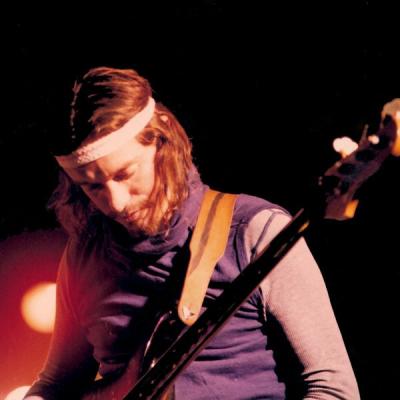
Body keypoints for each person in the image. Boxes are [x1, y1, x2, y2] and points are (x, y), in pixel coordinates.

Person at [25, 66, 360, 399]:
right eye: (92, 187)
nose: (116, 202)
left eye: (125, 174)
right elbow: (56, 386)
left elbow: (333, 388)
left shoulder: (254, 232)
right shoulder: (85, 255)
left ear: (162, 139)